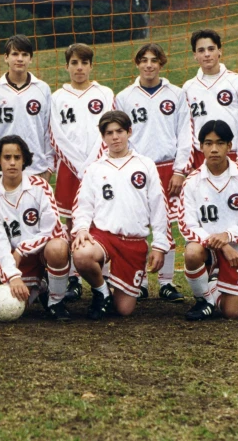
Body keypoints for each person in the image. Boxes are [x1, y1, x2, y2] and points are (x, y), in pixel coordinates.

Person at [71, 110, 171, 320]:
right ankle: (101, 291)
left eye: (119, 131)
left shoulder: (145, 165)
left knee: (124, 310)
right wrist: (81, 228)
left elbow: (158, 207)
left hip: (133, 242)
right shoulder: (94, 169)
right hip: (103, 236)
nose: (115, 137)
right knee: (81, 254)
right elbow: (83, 205)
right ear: (103, 137)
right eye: (109, 133)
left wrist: (160, 246)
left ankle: (111, 286)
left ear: (129, 132)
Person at [115, 44, 192, 302]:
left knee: (166, 225)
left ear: (162, 63)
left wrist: (180, 170)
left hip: (169, 167)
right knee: (139, 225)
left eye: (154, 60)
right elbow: (121, 134)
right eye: (144, 60)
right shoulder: (124, 96)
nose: (149, 65)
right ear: (137, 63)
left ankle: (167, 283)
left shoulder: (177, 94)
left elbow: (185, 134)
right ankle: (142, 281)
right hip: (137, 168)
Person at [179, 120, 238, 320]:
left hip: (237, 251)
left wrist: (228, 236)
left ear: (229, 145)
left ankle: (214, 283)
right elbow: (187, 226)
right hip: (206, 250)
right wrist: (220, 244)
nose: (214, 149)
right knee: (191, 252)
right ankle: (206, 300)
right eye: (208, 143)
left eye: (220, 143)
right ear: (201, 147)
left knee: (231, 313)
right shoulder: (191, 181)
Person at [49, 43, 114, 301]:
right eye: (74, 63)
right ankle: (73, 278)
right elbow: (56, 135)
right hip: (69, 168)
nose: (79, 68)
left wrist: (92, 165)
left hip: (99, 167)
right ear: (66, 66)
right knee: (69, 221)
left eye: (84, 63)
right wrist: (79, 165)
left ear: (90, 66)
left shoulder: (105, 93)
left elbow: (109, 128)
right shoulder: (57, 98)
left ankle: (105, 274)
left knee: (101, 218)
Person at [0, 135, 71, 321]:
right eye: (7, 157)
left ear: (24, 160)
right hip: (17, 258)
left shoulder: (41, 187)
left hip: (42, 250)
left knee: (57, 248)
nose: (12, 162)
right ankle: (41, 288)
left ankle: (56, 302)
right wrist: (13, 276)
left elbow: (53, 229)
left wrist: (23, 249)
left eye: (17, 157)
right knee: (18, 301)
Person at [0, 35, 54, 183]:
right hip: (0, 170)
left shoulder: (43, 89)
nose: (20, 59)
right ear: (6, 58)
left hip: (36, 169)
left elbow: (48, 131)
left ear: (30, 59)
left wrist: (49, 166)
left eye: (24, 54)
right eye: (15, 54)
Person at [182, 29, 238, 169]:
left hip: (233, 154)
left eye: (211, 49)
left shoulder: (237, 82)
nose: (206, 54)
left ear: (220, 51)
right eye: (201, 50)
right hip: (201, 156)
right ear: (195, 55)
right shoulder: (188, 88)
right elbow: (187, 129)